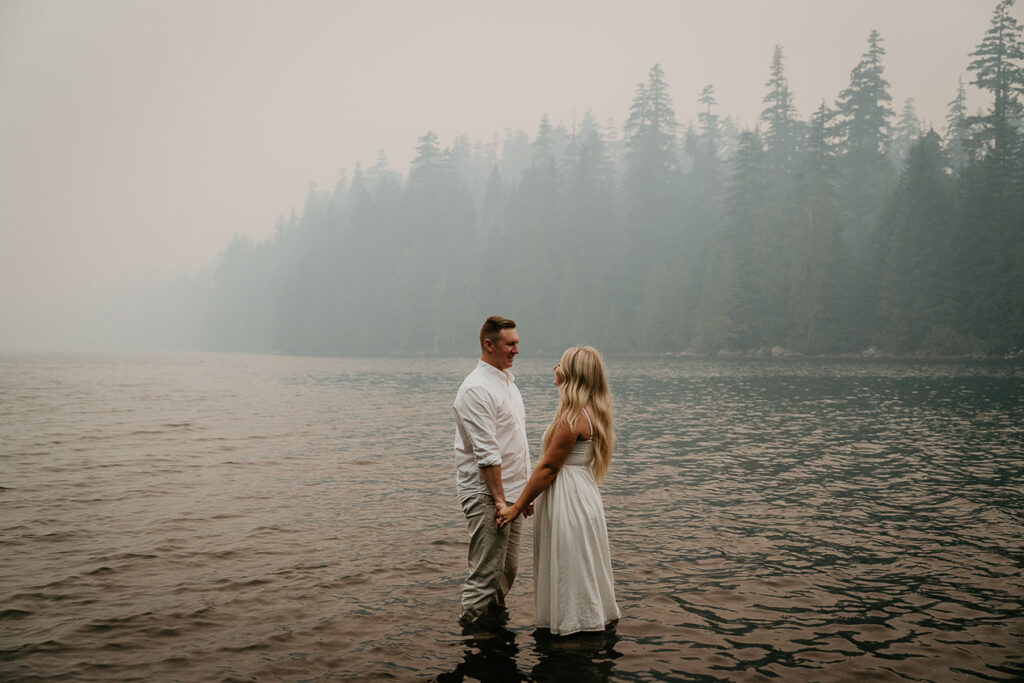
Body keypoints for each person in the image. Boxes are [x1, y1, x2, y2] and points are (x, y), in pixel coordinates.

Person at [497, 345, 620, 635]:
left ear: (573, 375)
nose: (555, 367)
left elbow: (548, 468)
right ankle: (588, 619)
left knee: (569, 562)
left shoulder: (573, 418)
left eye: (560, 364)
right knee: (581, 560)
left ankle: (574, 626)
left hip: (568, 496)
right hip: (582, 492)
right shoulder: (593, 412)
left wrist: (517, 506)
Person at [452, 315, 532, 624]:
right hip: (488, 495)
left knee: (506, 571)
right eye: (510, 344)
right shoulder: (476, 389)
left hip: (512, 493)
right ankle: (473, 636)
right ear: (489, 344)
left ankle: (493, 630)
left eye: (517, 344)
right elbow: (486, 454)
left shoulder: (507, 383)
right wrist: (499, 500)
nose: (516, 350)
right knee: (486, 574)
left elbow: (514, 444)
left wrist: (524, 495)